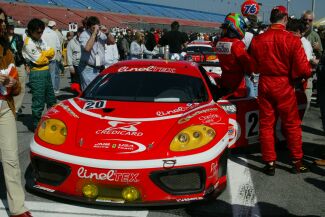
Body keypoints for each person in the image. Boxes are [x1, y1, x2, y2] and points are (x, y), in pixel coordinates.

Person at [250, 6, 311, 175]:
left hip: (265, 83)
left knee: (266, 124)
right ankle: (296, 162)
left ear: (271, 19)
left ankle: (270, 162)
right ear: (284, 19)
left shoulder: (258, 40)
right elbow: (303, 69)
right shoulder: (292, 40)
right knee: (291, 124)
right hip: (284, 84)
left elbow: (253, 66)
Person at [0, 8, 32, 217]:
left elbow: (17, 85)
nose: (2, 24)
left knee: (11, 159)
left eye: (3, 20)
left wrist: (13, 83)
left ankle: (18, 208)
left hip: (5, 109)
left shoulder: (6, 49)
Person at [22, 18, 56, 131]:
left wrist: (43, 53)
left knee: (51, 99)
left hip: (46, 72)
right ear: (31, 31)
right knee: (38, 101)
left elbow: (52, 52)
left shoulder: (40, 40)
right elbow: (41, 60)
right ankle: (36, 125)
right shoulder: (28, 43)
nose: (41, 34)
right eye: (38, 32)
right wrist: (45, 54)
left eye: (42, 31)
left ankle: (52, 120)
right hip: (37, 73)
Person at [216, 13, 255, 98]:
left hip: (225, 80)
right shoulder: (237, 44)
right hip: (238, 84)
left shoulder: (219, 43)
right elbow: (248, 64)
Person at [78, 16, 107, 90]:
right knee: (89, 91)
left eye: (96, 27)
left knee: (99, 90)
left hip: (100, 68)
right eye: (93, 27)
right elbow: (87, 48)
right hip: (88, 68)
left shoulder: (100, 34)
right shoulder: (84, 35)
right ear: (88, 27)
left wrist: (107, 32)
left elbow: (112, 42)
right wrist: (94, 33)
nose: (96, 29)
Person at [7, 24, 26, 113]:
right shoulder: (3, 37)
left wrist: (26, 64)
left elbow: (23, 51)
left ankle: (16, 108)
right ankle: (8, 105)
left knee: (21, 84)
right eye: (10, 27)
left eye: (12, 27)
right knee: (7, 85)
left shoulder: (18, 37)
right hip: (7, 65)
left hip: (19, 63)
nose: (11, 28)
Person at [41, 18, 61, 94]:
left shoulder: (41, 33)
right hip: (52, 57)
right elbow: (58, 46)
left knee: (43, 75)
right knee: (52, 75)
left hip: (42, 58)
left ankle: (44, 90)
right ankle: (51, 91)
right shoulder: (54, 33)